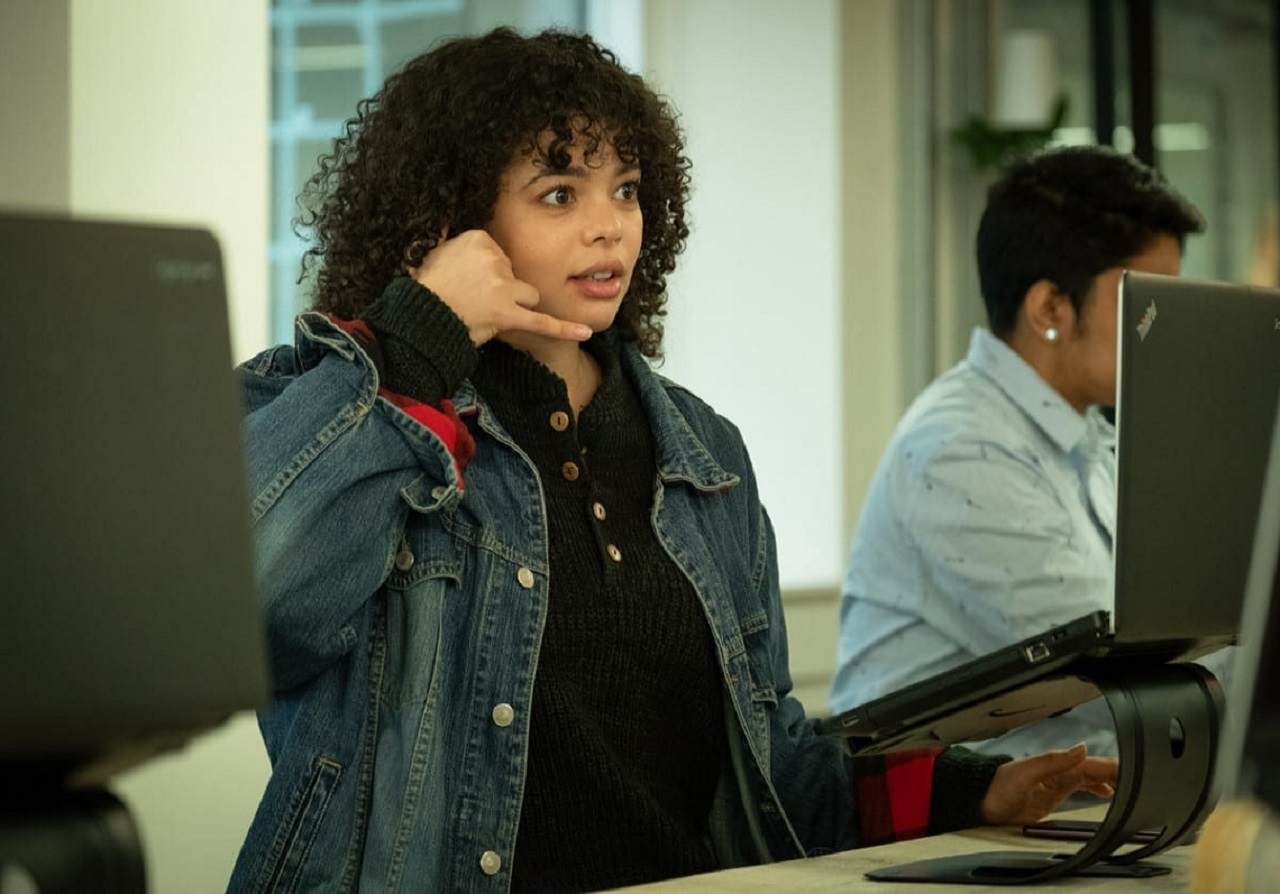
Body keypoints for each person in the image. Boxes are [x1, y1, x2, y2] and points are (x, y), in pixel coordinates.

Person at [230, 29, 1117, 892]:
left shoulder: (703, 454)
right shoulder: (343, 402)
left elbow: (773, 772)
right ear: (456, 222)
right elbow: (241, 609)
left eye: (625, 189)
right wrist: (418, 337)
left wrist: (970, 791)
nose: (609, 228)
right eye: (558, 194)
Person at [829, 145, 1210, 760]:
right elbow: (1124, 672)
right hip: (930, 837)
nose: (1164, 329)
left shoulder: (1085, 437)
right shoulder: (960, 451)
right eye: (1146, 303)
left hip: (1052, 817)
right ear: (1051, 309)